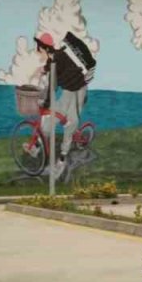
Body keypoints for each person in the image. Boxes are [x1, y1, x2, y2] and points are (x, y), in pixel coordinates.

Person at [32, 31, 95, 179]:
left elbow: (52, 87)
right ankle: (36, 146)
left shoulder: (56, 60)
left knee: (70, 123)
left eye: (39, 50)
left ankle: (62, 160)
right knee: (52, 116)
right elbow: (49, 69)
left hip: (78, 90)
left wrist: (45, 103)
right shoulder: (54, 58)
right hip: (68, 89)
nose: (37, 53)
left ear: (46, 49)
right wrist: (40, 70)